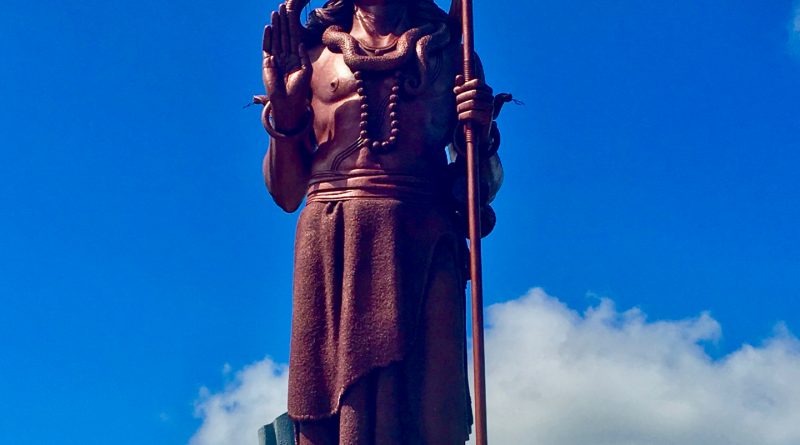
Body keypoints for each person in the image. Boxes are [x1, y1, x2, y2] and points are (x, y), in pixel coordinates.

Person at [259, 0, 502, 443]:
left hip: (422, 234)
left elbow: (475, 194)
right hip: (334, 229)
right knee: (327, 403)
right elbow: (286, 192)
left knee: (433, 406)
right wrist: (286, 111)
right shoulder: (311, 58)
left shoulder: (451, 55)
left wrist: (479, 133)